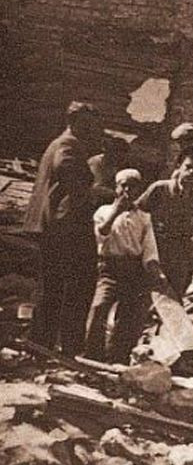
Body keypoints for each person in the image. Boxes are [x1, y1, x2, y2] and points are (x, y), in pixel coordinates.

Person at [23, 101, 101, 355]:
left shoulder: (60, 143)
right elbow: (71, 176)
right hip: (63, 229)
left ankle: (41, 345)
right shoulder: (68, 145)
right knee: (71, 287)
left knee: (53, 287)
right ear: (74, 121)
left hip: (55, 227)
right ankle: (59, 347)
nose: (93, 129)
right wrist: (101, 195)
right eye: (88, 123)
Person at [84, 169, 170, 362]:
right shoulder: (103, 212)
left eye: (133, 186)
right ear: (116, 187)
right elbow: (101, 234)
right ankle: (92, 355)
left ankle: (117, 357)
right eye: (124, 185)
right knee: (99, 307)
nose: (128, 190)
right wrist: (116, 211)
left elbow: (149, 249)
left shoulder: (144, 217)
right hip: (109, 268)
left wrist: (156, 272)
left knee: (129, 315)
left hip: (133, 270)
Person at [138, 150, 193, 300]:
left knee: (174, 298)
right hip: (155, 251)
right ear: (179, 167)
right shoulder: (159, 189)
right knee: (146, 296)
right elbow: (138, 212)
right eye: (188, 167)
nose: (191, 172)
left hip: (180, 256)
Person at [88, 135, 130, 206]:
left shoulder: (113, 165)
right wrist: (116, 194)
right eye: (119, 154)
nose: (122, 158)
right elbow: (96, 188)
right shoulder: (97, 162)